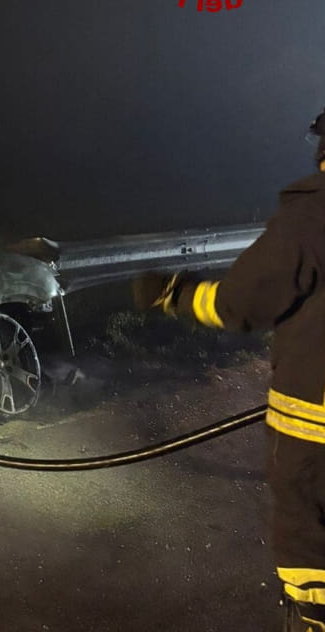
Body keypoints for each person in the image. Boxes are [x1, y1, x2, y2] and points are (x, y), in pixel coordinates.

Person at [134, 107, 325, 631]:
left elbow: (240, 303)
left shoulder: (312, 219)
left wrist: (175, 294)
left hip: (314, 430)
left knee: (310, 542)